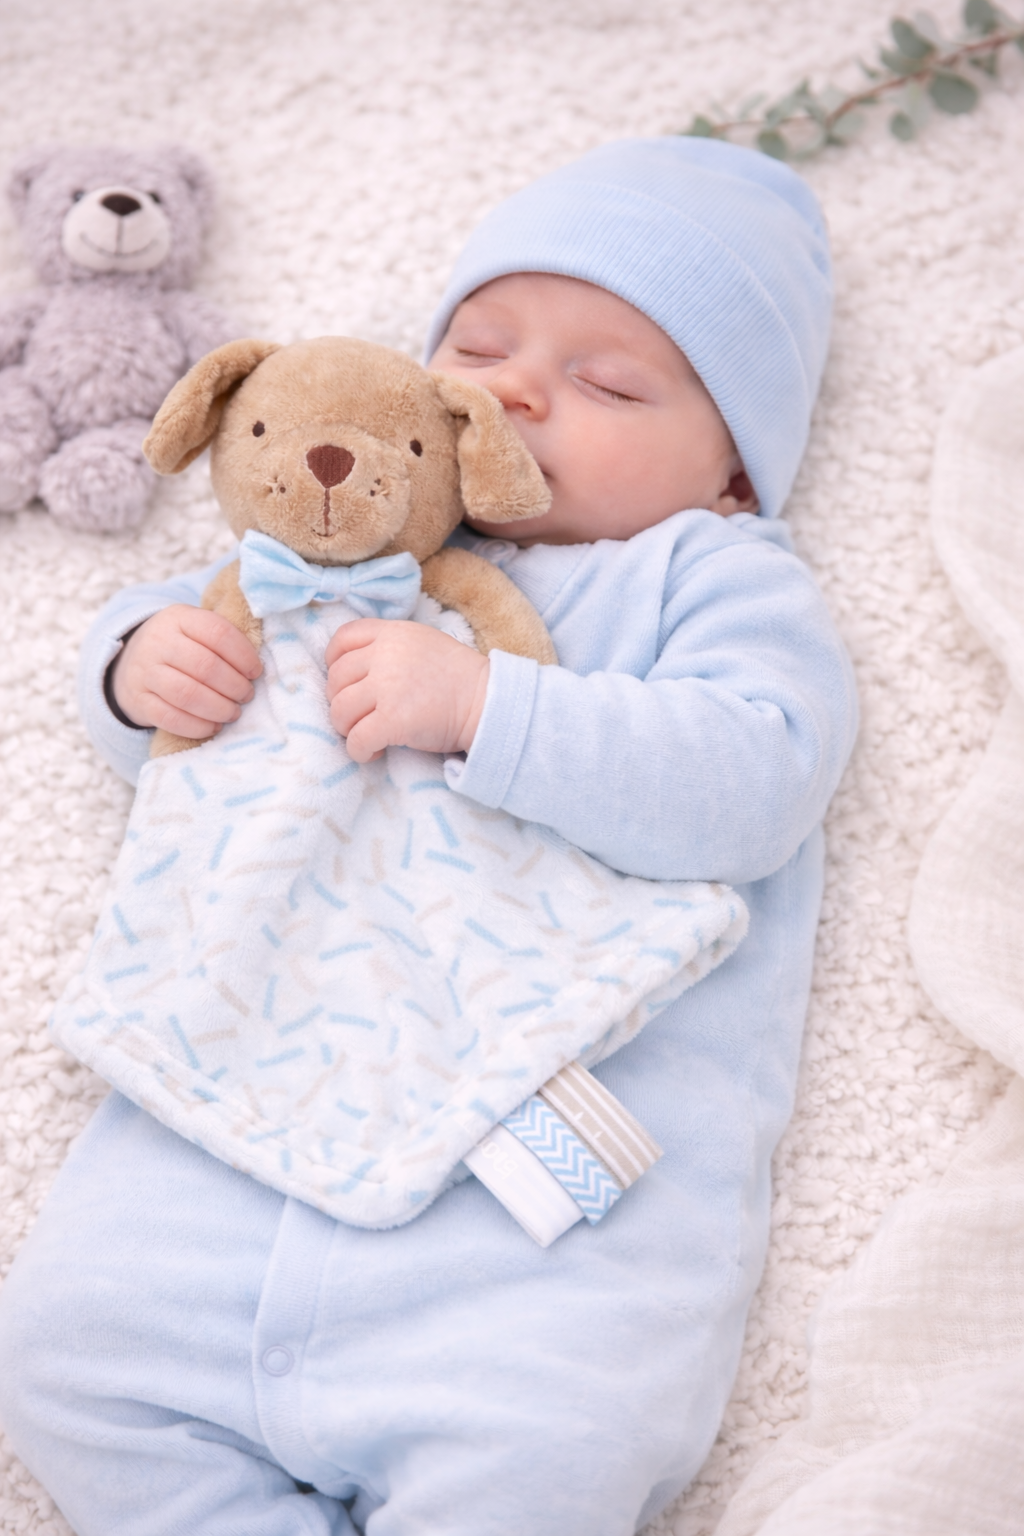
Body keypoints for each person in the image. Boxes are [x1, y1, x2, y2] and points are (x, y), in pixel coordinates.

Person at [0, 137, 857, 1536]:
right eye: (481, 344)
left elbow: (757, 778)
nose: (518, 387)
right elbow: (194, 628)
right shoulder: (356, 543)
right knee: (62, 1363)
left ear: (731, 479)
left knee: (548, 1458)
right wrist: (140, 667)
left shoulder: (702, 575)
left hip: (524, 1231)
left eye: (608, 380)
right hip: (230, 1142)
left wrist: (488, 709)